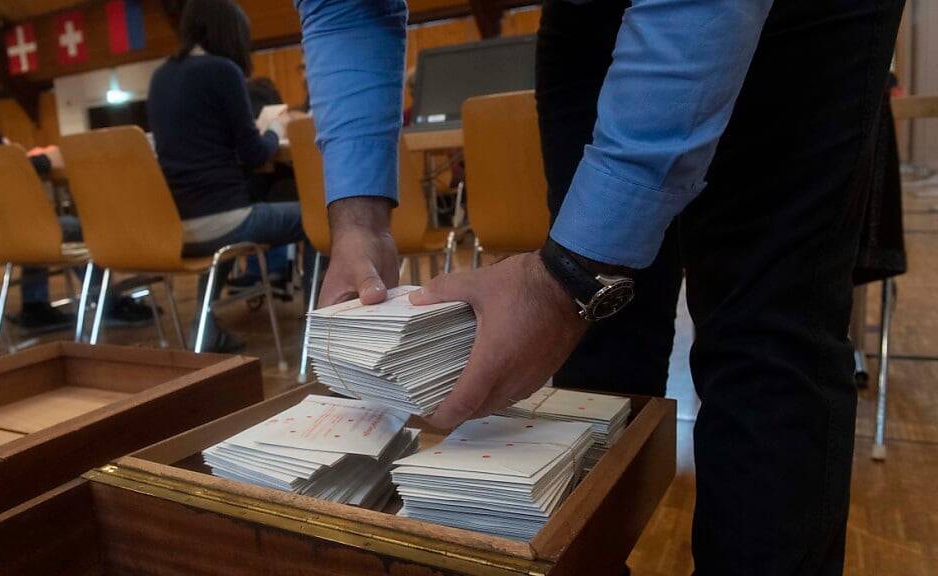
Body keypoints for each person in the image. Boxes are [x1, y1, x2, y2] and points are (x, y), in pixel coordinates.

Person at [296, 0, 905, 573]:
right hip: (589, 14)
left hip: (795, 16)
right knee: (596, 342)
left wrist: (569, 275)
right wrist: (357, 222)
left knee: (767, 336)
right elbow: (348, 7)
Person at [0, 27, 150, 331]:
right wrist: (45, 159)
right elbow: (3, 172)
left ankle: (39, 306)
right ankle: (108, 304)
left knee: (30, 221)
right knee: (70, 226)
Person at [148, 0, 308, 352]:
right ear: (231, 33)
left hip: (177, 228)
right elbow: (254, 156)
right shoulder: (222, 71)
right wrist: (274, 129)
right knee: (320, 216)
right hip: (226, 221)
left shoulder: (161, 76)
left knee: (226, 231)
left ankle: (204, 329)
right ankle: (320, 322)